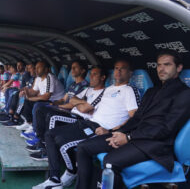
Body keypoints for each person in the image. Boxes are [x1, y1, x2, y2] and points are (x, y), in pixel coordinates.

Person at [75, 50, 190, 189]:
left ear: (179, 68)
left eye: (167, 65)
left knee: (110, 162)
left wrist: (128, 137)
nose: (161, 69)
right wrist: (117, 133)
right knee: (83, 148)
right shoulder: (152, 91)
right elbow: (136, 119)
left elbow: (166, 129)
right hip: (136, 136)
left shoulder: (184, 94)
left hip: (155, 144)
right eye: (159, 65)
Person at [33, 59, 140, 189]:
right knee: (50, 134)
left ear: (130, 73)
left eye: (122, 68)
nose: (118, 71)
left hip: (100, 129)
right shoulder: (108, 89)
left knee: (64, 144)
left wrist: (113, 130)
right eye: (116, 68)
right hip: (87, 122)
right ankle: (54, 178)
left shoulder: (129, 90)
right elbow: (88, 105)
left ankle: (71, 174)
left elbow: (135, 117)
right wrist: (79, 104)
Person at [26, 66, 106, 161]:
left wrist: (60, 107)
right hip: (68, 108)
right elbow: (67, 99)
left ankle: (48, 150)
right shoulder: (74, 85)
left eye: (75, 68)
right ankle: (41, 140)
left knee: (51, 115)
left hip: (76, 115)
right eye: (91, 74)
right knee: (41, 109)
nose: (72, 70)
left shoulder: (84, 85)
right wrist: (56, 104)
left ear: (83, 70)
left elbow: (78, 106)